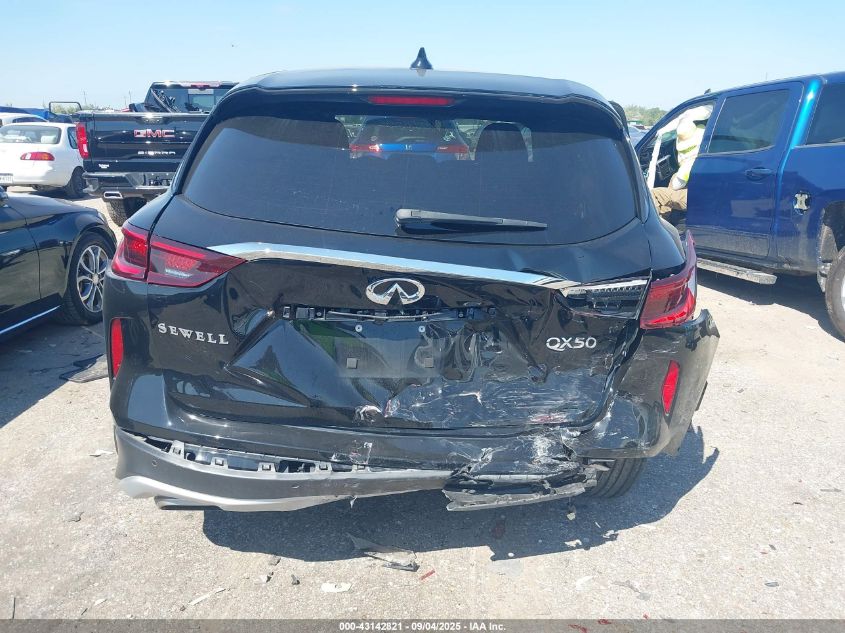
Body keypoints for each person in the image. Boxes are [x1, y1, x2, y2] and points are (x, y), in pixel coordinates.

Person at [650, 105, 712, 219]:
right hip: (707, 191)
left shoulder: (690, 163)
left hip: (697, 197)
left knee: (655, 193)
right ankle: (669, 217)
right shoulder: (708, 153)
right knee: (674, 178)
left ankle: (662, 222)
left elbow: (677, 184)